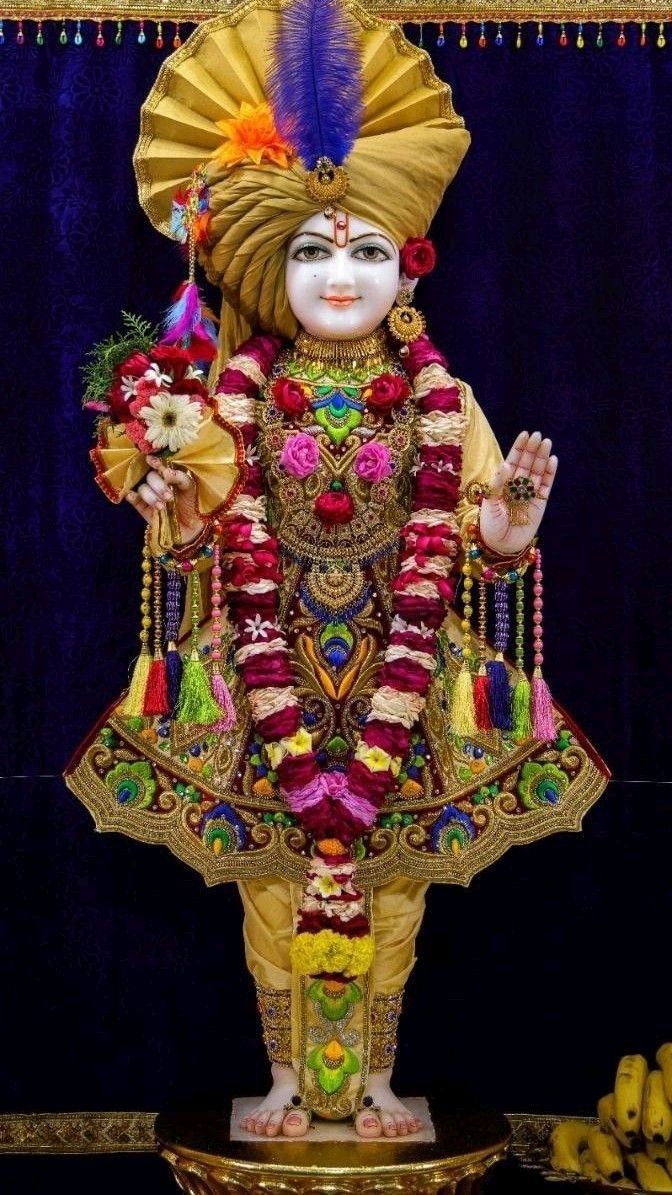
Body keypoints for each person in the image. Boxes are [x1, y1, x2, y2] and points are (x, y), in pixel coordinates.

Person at [65, 0, 609, 1141]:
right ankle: (284, 1085)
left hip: (407, 689)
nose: (342, 274)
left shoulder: (444, 399)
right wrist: (165, 501)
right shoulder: (232, 397)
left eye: (365, 249)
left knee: (397, 888)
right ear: (273, 272)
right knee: (272, 884)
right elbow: (198, 536)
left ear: (407, 268)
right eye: (313, 251)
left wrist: (511, 523)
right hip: (266, 683)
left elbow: (482, 543)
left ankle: (367, 1082)